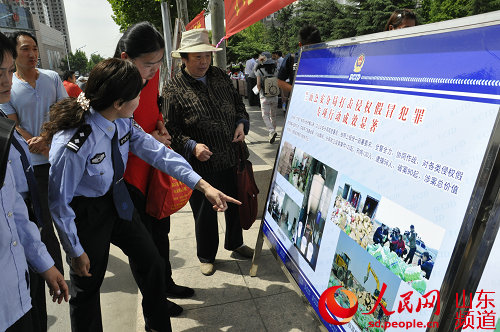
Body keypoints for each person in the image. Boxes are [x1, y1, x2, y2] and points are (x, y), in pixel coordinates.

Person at [43, 58, 240, 332]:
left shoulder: (121, 122)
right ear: (118, 102)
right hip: (85, 213)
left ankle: (158, 327)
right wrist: (75, 250)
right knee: (87, 286)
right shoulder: (74, 143)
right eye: (137, 94)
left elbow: (158, 153)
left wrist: (203, 185)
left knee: (152, 263)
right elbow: (59, 202)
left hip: (118, 199)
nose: (142, 97)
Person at [114, 21, 192, 317]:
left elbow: (152, 108)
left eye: (159, 63)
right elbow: (118, 127)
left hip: (154, 169)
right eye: (148, 64)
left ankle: (166, 284)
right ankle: (154, 304)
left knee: (161, 232)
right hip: (131, 175)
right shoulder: (113, 83)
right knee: (144, 247)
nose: (153, 70)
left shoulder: (150, 74)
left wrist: (160, 124)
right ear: (125, 59)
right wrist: (150, 139)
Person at [164, 28, 254, 276]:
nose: (204, 62)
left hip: (232, 155)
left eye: (207, 56)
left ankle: (235, 243)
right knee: (205, 212)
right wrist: (192, 146)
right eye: (197, 58)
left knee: (235, 203)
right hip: (201, 166)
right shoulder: (173, 89)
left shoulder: (220, 76)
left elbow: (239, 106)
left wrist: (241, 124)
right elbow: (170, 130)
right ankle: (206, 255)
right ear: (184, 59)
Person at [0, 31, 69, 332]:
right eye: (25, 49)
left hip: (47, 162)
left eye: (4, 70)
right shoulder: (9, 128)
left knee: (48, 223)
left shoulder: (52, 78)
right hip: (31, 158)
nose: (3, 79)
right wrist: (33, 142)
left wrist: (45, 264)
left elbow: (14, 209)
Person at [278, 25, 321, 111]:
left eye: (315, 47)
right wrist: (296, 90)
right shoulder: (292, 58)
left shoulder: (325, 58)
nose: (312, 51)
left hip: (317, 106)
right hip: (296, 106)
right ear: (300, 45)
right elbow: (279, 81)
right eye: (308, 48)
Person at [255, 51, 279, 143]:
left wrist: (258, 90)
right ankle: (272, 132)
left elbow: (258, 84)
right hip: (274, 94)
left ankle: (271, 131)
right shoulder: (275, 69)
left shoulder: (259, 70)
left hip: (264, 96)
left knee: (265, 115)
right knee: (273, 115)